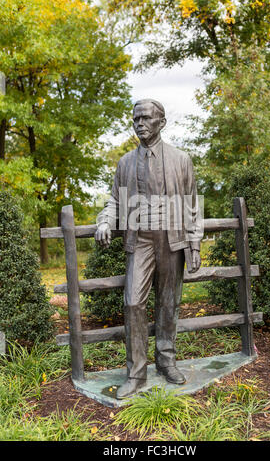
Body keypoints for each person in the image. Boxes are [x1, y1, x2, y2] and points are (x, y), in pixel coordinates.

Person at [95, 99, 202, 399]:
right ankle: (136, 372)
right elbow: (115, 201)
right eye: (136, 119)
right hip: (139, 239)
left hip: (172, 239)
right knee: (132, 303)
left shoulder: (182, 160)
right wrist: (105, 221)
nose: (140, 123)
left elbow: (192, 205)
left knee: (169, 304)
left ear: (161, 123)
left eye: (146, 118)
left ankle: (166, 362)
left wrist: (194, 245)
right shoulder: (125, 163)